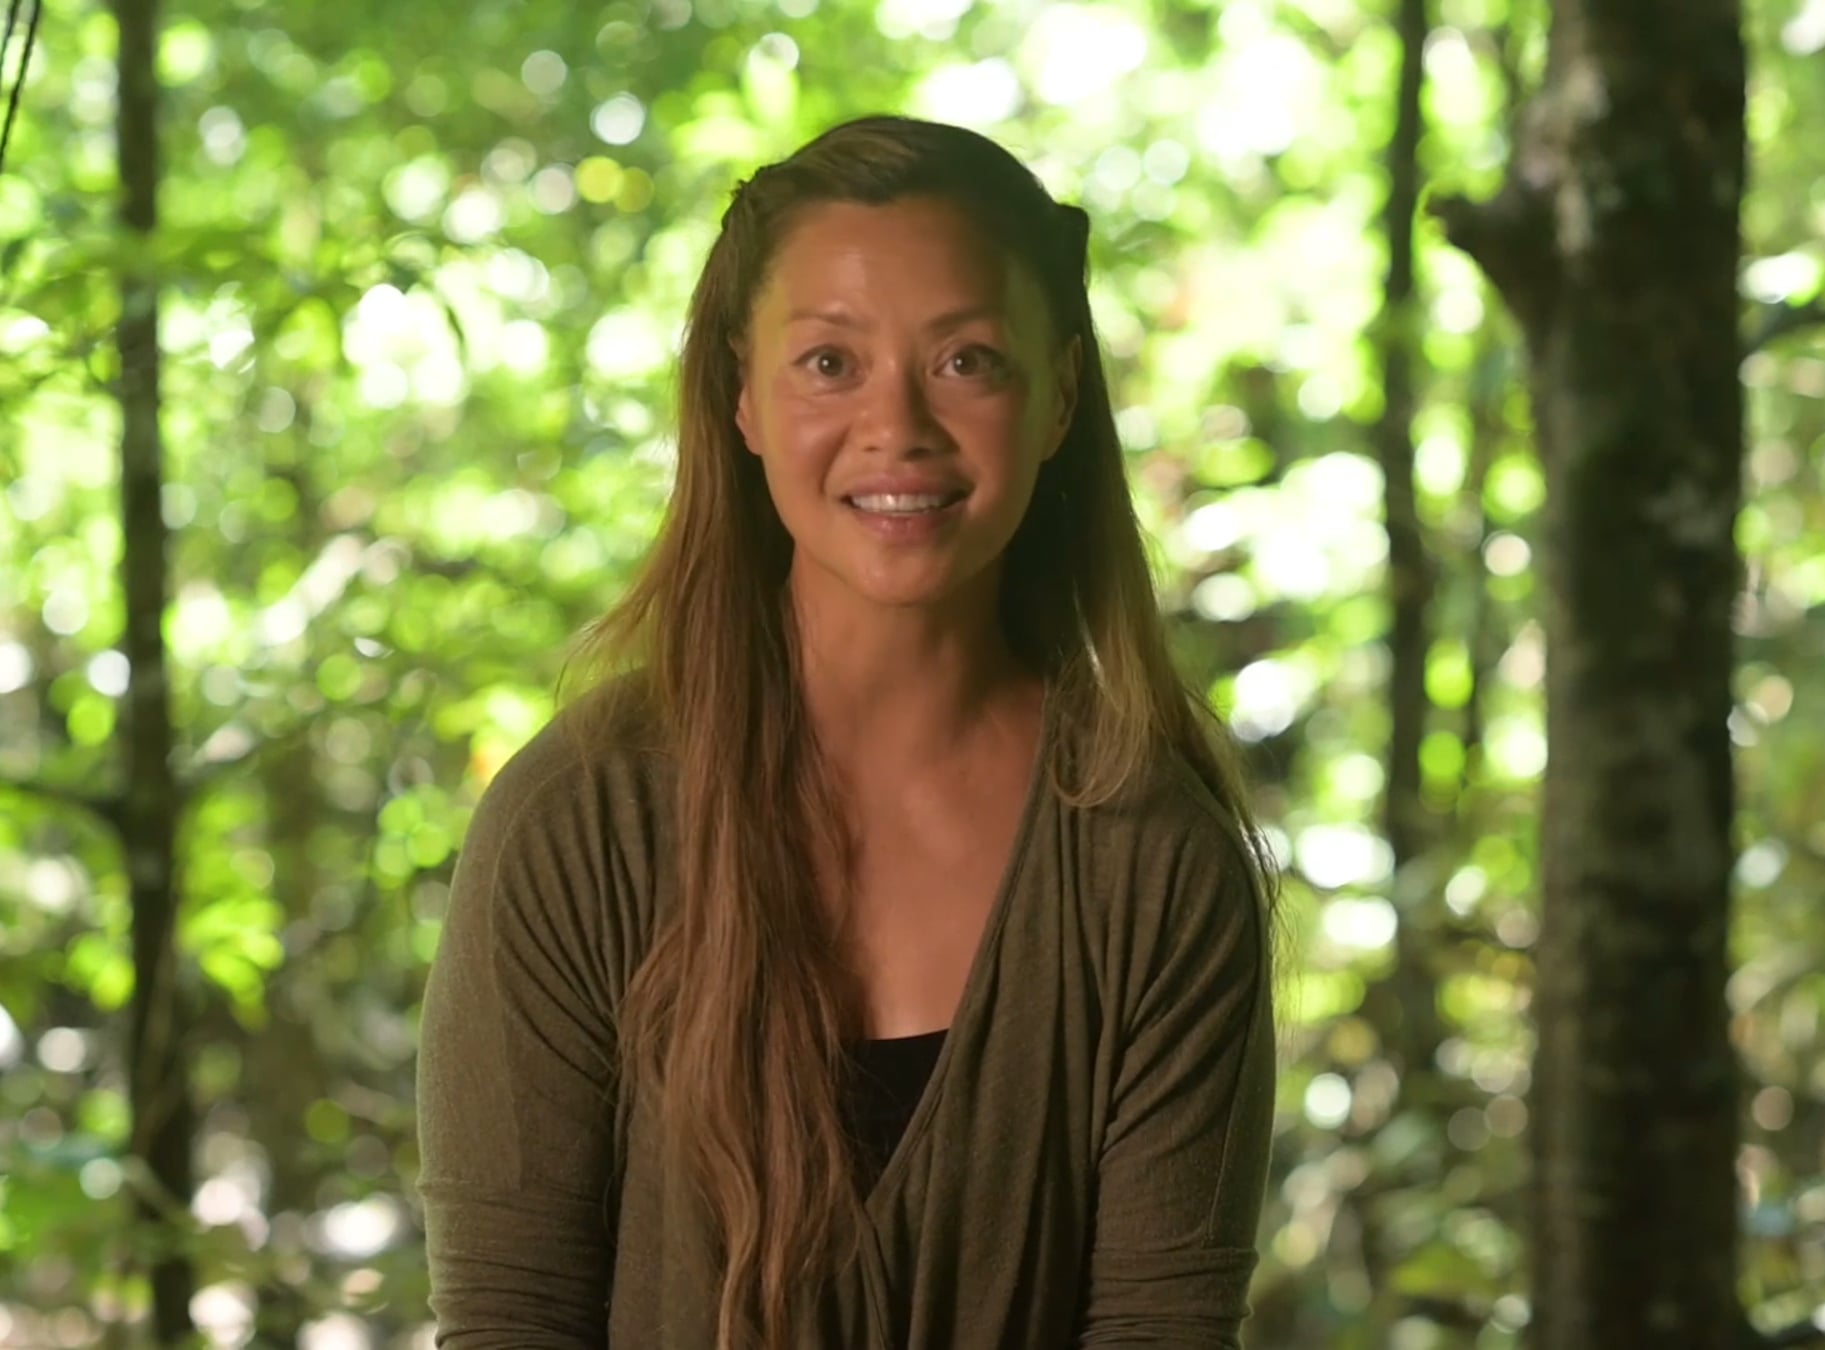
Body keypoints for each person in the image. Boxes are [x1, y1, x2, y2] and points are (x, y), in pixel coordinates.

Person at [413, 115, 1278, 1349]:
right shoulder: (582, 822)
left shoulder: (1153, 863)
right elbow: (512, 1319)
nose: (898, 426)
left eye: (968, 360)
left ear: (1060, 396)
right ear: (742, 396)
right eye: (830, 362)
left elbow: (1164, 1329)